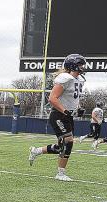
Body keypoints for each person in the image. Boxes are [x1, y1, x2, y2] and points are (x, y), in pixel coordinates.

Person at [28, 53, 87, 181]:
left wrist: (77, 109)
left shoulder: (79, 80)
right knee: (68, 142)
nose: (82, 67)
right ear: (72, 65)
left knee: (62, 146)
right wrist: (65, 111)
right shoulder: (65, 78)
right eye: (80, 64)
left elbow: (72, 98)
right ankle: (60, 174)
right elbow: (52, 98)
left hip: (67, 115)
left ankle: (36, 151)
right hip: (58, 115)